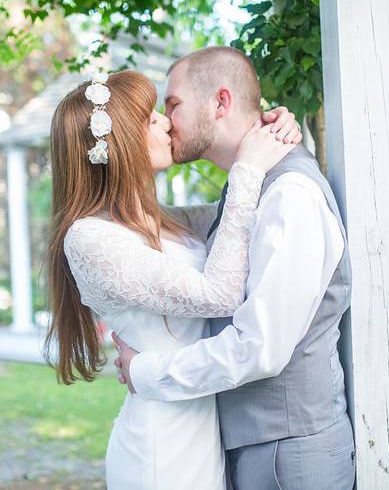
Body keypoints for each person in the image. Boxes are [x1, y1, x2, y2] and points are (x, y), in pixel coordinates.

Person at [113, 46, 356, 489]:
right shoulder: (250, 189)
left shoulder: (291, 195)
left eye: (173, 104)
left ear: (220, 102)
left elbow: (258, 347)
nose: (166, 122)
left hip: (290, 456)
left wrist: (147, 371)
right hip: (257, 449)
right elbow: (170, 226)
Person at [45, 69, 301, 489]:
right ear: (120, 143)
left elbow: (236, 220)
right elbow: (219, 294)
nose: (166, 122)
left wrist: (270, 131)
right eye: (150, 119)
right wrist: (246, 168)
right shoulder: (91, 237)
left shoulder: (162, 219)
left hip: (200, 427)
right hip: (161, 446)